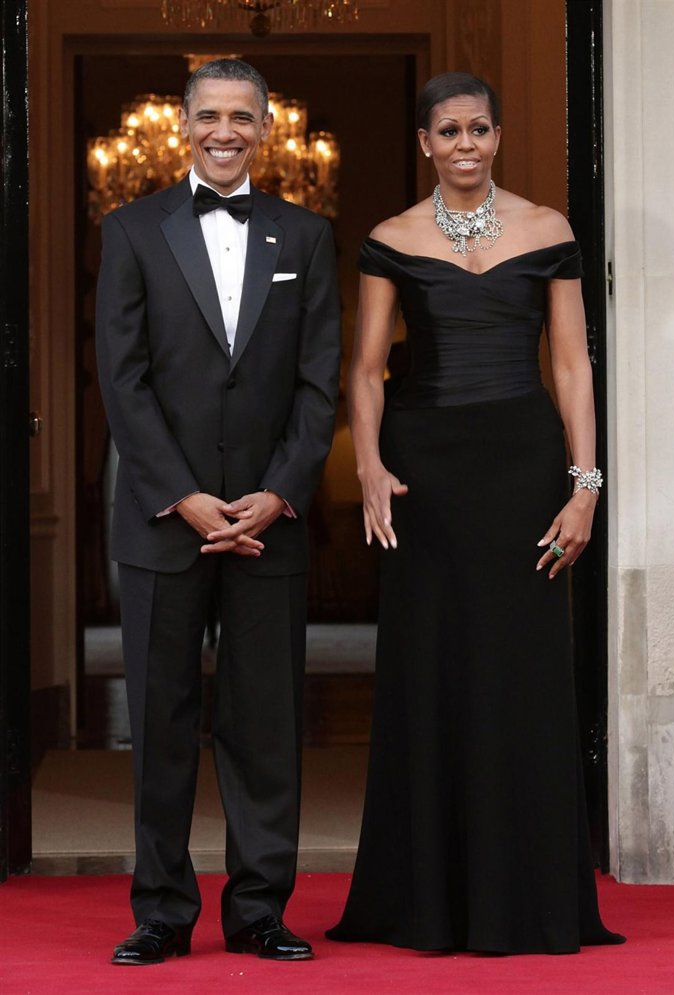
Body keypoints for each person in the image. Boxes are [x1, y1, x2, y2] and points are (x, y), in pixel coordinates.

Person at [327, 72, 624, 955]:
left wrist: (585, 485)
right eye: (450, 131)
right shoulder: (390, 238)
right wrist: (370, 466)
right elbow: (366, 369)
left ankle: (525, 897)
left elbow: (571, 365)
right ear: (425, 142)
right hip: (425, 476)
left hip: (524, 467)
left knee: (521, 670)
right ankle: (430, 900)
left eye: (480, 129)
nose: (467, 144)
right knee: (432, 668)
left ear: (498, 136)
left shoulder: (549, 229)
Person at [96, 58, 341, 965]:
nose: (225, 131)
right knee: (160, 726)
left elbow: (320, 381)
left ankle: (259, 910)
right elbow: (121, 379)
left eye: (242, 116)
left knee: (265, 726)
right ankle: (162, 912)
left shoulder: (307, 235)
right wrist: (184, 494)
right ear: (184, 123)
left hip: (269, 524)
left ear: (266, 128)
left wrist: (280, 492)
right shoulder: (132, 229)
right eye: (210, 115)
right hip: (165, 521)